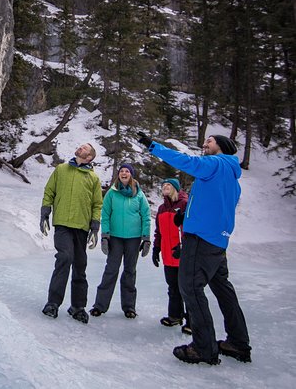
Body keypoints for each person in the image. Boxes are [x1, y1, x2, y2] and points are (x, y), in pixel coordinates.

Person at [138, 132, 251, 365]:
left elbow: (187, 162)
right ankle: (238, 343)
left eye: (209, 141)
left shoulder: (215, 163)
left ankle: (204, 348)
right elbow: (212, 204)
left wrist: (154, 147)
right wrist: (184, 215)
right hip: (218, 242)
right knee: (223, 290)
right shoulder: (232, 176)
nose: (204, 144)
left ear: (222, 146)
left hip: (200, 238)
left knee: (189, 287)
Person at [40, 143, 103, 324]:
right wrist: (45, 211)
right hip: (62, 224)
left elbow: (97, 204)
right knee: (65, 257)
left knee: (80, 265)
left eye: (84, 148)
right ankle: (53, 302)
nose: (80, 148)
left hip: (81, 227)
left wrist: (95, 226)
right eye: (80, 146)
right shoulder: (61, 169)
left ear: (89, 157)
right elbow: (49, 191)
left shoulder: (93, 178)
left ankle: (77, 306)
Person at [89, 164, 151, 319]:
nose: (124, 173)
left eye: (127, 171)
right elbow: (106, 214)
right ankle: (99, 306)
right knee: (111, 270)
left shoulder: (139, 194)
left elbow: (146, 216)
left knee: (130, 271)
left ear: (132, 175)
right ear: (118, 175)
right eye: (122, 171)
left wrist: (146, 238)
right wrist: (105, 235)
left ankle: (129, 307)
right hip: (115, 238)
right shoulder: (112, 193)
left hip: (133, 239)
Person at [152, 178, 191, 335]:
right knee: (173, 287)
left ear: (176, 188)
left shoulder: (185, 204)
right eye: (163, 186)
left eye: (168, 185)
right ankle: (175, 315)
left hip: (183, 254)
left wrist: (184, 246)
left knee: (187, 288)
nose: (165, 187)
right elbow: (159, 232)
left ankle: (192, 321)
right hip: (169, 255)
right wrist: (156, 249)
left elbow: (190, 228)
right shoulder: (161, 209)